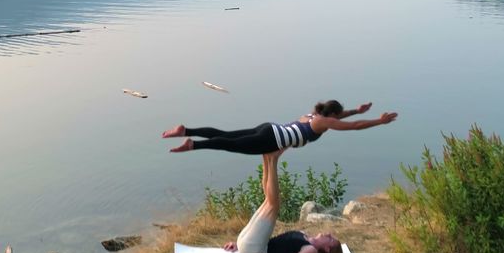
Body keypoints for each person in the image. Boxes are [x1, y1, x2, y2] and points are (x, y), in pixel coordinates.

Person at [222, 149, 344, 253]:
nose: (329, 234)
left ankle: (273, 159)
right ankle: (267, 156)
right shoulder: (304, 235)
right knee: (269, 200)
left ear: (327, 249)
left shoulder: (310, 251)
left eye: (330, 239)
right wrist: (239, 247)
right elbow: (274, 244)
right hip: (250, 247)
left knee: (274, 204)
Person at [162, 100, 397, 154]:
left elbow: (346, 116)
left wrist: (357, 110)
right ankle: (193, 145)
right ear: (332, 116)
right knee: (229, 144)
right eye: (338, 117)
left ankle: (187, 130)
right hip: (271, 140)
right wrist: (379, 120)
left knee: (226, 135)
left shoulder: (315, 115)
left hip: (270, 128)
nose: (339, 120)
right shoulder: (324, 122)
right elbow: (354, 126)